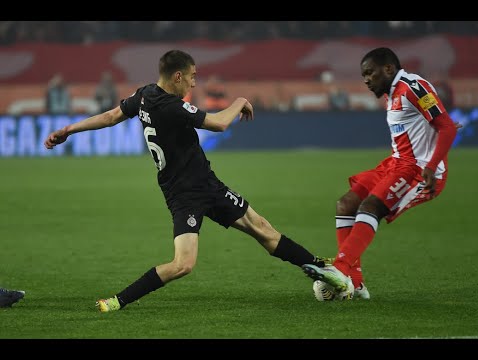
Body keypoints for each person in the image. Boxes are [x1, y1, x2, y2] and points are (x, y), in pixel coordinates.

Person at [44, 49, 329, 312]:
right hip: (185, 195)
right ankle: (119, 301)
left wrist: (69, 129)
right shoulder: (171, 106)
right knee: (183, 265)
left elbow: (111, 116)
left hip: (207, 184)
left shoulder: (144, 95)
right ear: (178, 76)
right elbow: (218, 123)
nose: (194, 84)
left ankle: (323, 269)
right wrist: (240, 101)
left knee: (264, 230)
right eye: (192, 77)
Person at [303, 47, 458, 301]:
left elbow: (447, 127)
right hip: (396, 164)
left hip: (419, 171)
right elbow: (428, 125)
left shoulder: (413, 86)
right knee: (346, 204)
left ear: (388, 69)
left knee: (370, 207)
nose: (366, 80)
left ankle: (340, 269)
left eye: (369, 73)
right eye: (364, 75)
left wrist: (431, 166)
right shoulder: (392, 94)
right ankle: (356, 283)